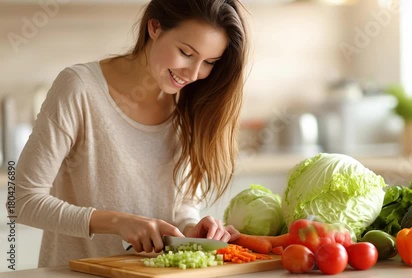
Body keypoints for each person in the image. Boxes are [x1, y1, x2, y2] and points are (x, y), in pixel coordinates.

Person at [11, 0, 249, 267]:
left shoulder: (191, 105)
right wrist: (118, 222)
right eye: (185, 52)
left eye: (209, 62)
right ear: (155, 27)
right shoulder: (79, 88)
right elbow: (21, 200)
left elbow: (180, 204)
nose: (194, 73)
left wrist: (192, 228)